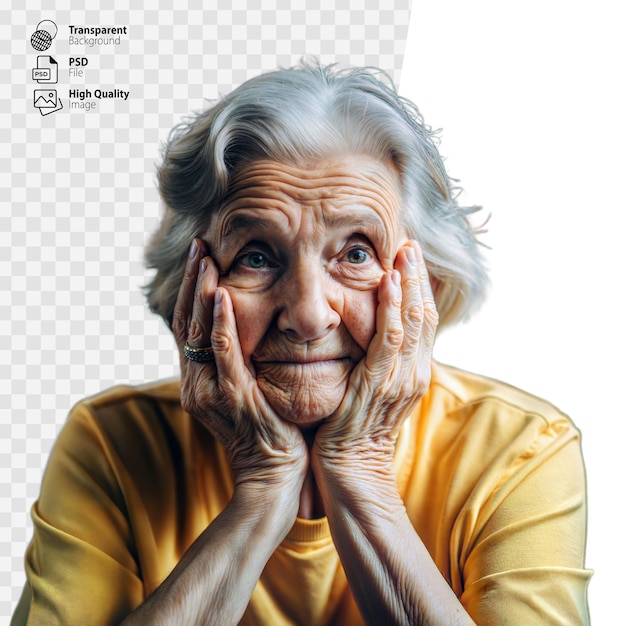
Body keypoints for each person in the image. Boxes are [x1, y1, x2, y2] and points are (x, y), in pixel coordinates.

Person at [12, 61, 591, 625]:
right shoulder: (112, 445)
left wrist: (359, 472)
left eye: (356, 253)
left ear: (425, 287)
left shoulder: (518, 450)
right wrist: (262, 490)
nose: (309, 315)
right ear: (189, 292)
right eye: (256, 256)